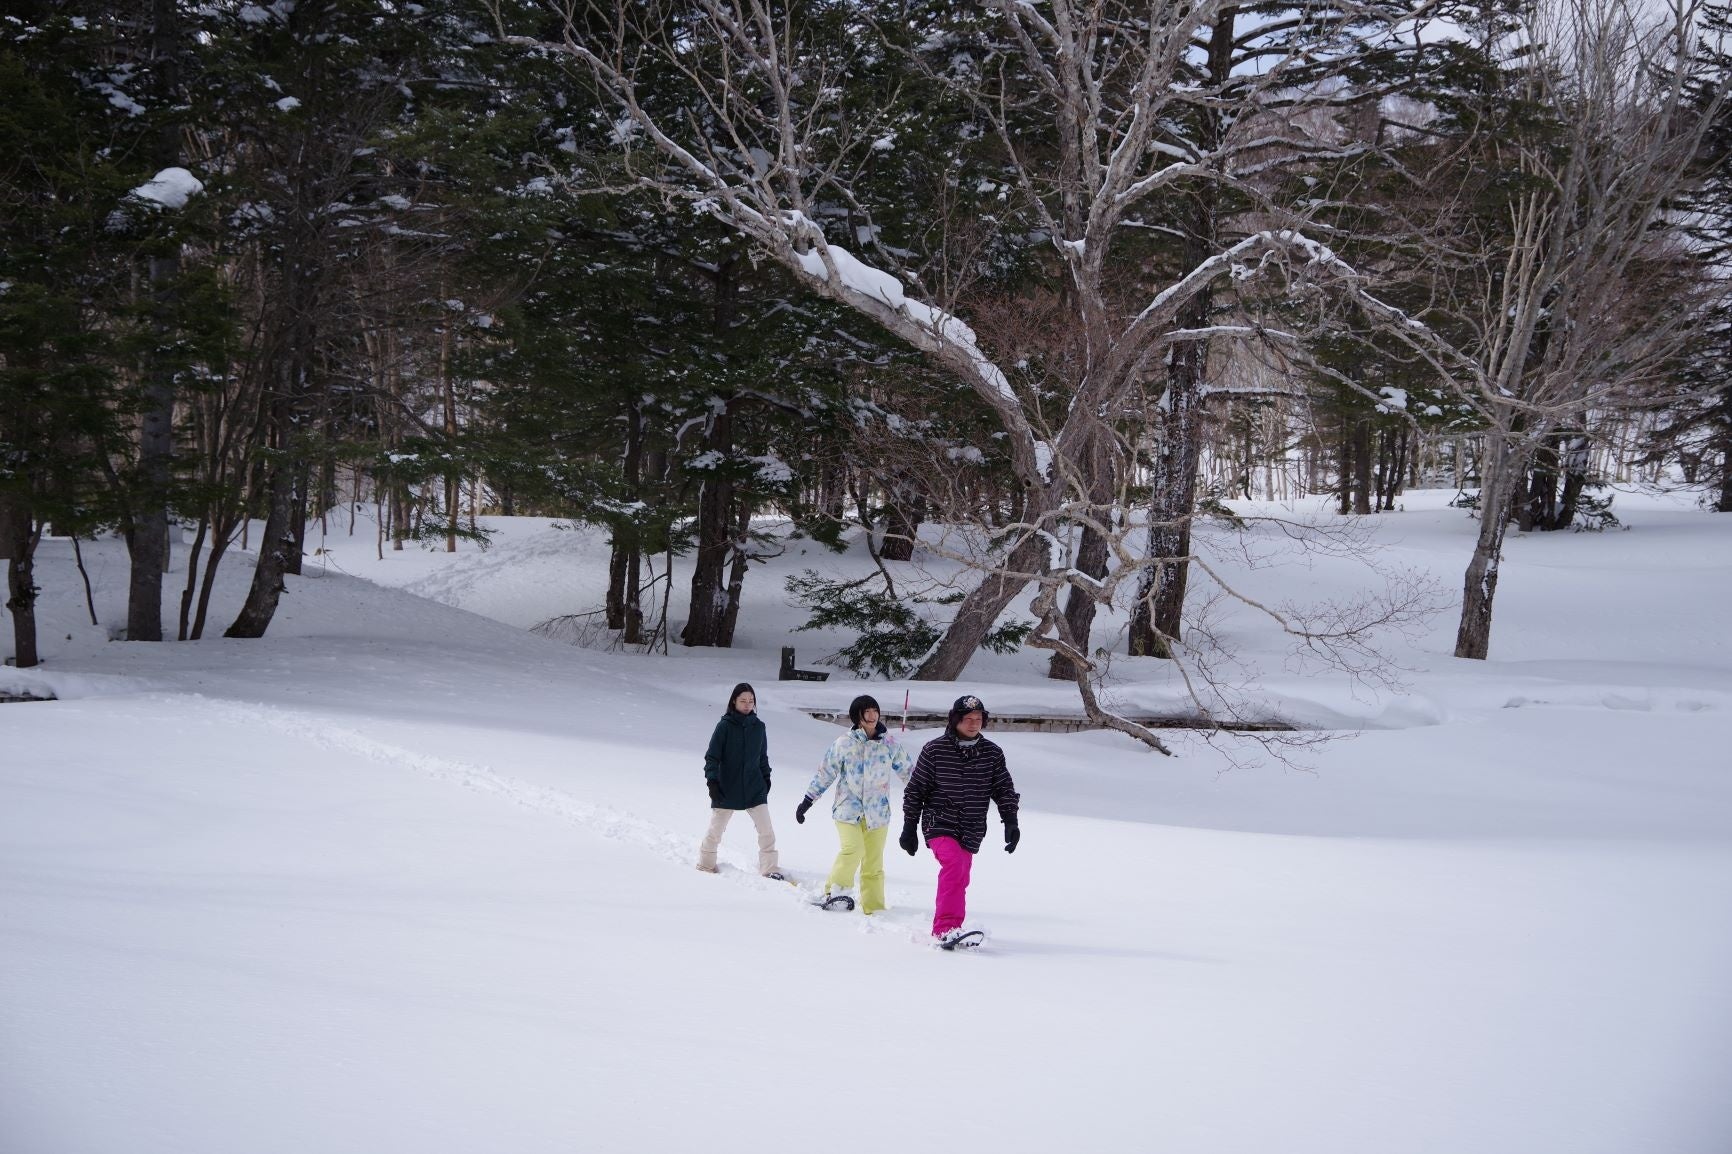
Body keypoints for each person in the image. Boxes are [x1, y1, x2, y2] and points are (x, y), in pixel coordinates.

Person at [900, 694, 1020, 947]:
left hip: (972, 826)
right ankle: (945, 929)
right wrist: (909, 827)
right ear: (955, 720)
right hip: (938, 821)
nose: (974, 723)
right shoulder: (935, 750)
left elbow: (1003, 789)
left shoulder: (992, 753)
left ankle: (954, 927)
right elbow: (915, 790)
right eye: (968, 719)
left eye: (978, 719)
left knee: (961, 876)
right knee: (954, 866)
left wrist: (1010, 820)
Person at [795, 694, 914, 913]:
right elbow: (826, 772)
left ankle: (874, 906)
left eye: (875, 711)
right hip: (848, 810)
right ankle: (835, 893)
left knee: (874, 863)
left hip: (878, 813)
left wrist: (926, 796)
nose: (872, 716)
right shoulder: (844, 743)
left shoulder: (888, 743)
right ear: (857, 716)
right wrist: (808, 800)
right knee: (853, 849)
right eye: (866, 712)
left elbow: (909, 771)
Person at [697, 682, 785, 880]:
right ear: (734, 702)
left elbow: (763, 757)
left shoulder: (759, 727)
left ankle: (770, 869)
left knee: (766, 831)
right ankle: (705, 865)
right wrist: (712, 782)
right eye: (743, 700)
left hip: (754, 787)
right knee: (715, 830)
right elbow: (712, 757)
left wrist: (766, 778)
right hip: (726, 787)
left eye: (751, 701)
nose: (747, 704)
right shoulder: (724, 726)